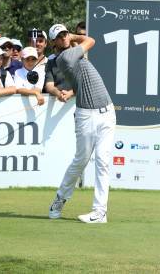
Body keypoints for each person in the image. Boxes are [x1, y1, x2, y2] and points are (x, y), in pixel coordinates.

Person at [46, 23, 116, 224]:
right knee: (81, 161)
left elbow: (84, 82)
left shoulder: (73, 52)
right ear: (54, 42)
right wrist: (74, 36)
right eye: (59, 36)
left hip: (107, 112)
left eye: (64, 33)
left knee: (103, 162)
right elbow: (91, 40)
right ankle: (60, 199)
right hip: (86, 115)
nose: (64, 37)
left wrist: (69, 36)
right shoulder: (64, 58)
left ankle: (99, 212)